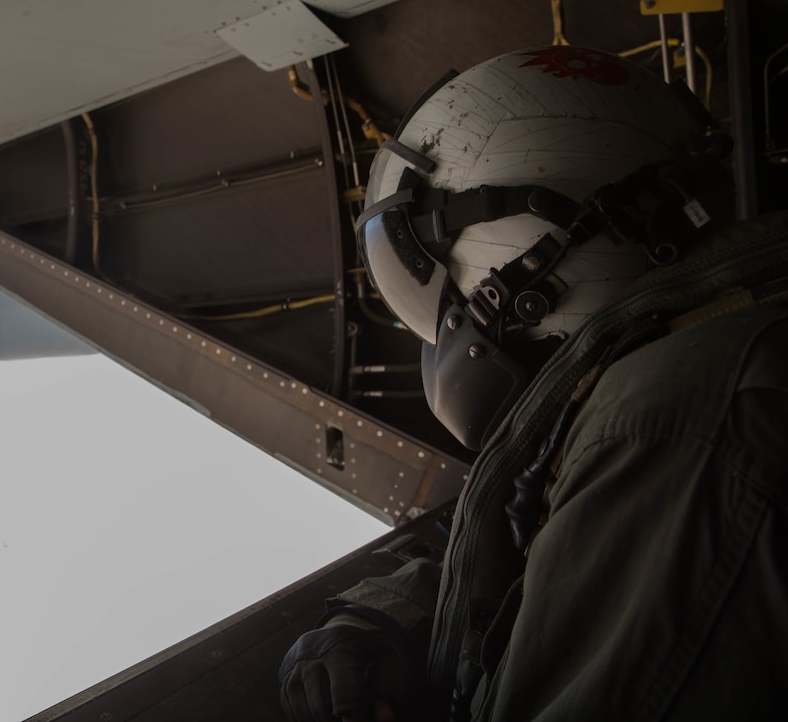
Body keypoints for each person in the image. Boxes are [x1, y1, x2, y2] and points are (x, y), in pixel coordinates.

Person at [279, 45, 788, 721]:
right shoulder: (686, 386)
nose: (443, 341)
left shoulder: (668, 426)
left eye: (434, 300)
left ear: (532, 273)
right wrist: (376, 619)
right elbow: (527, 574)